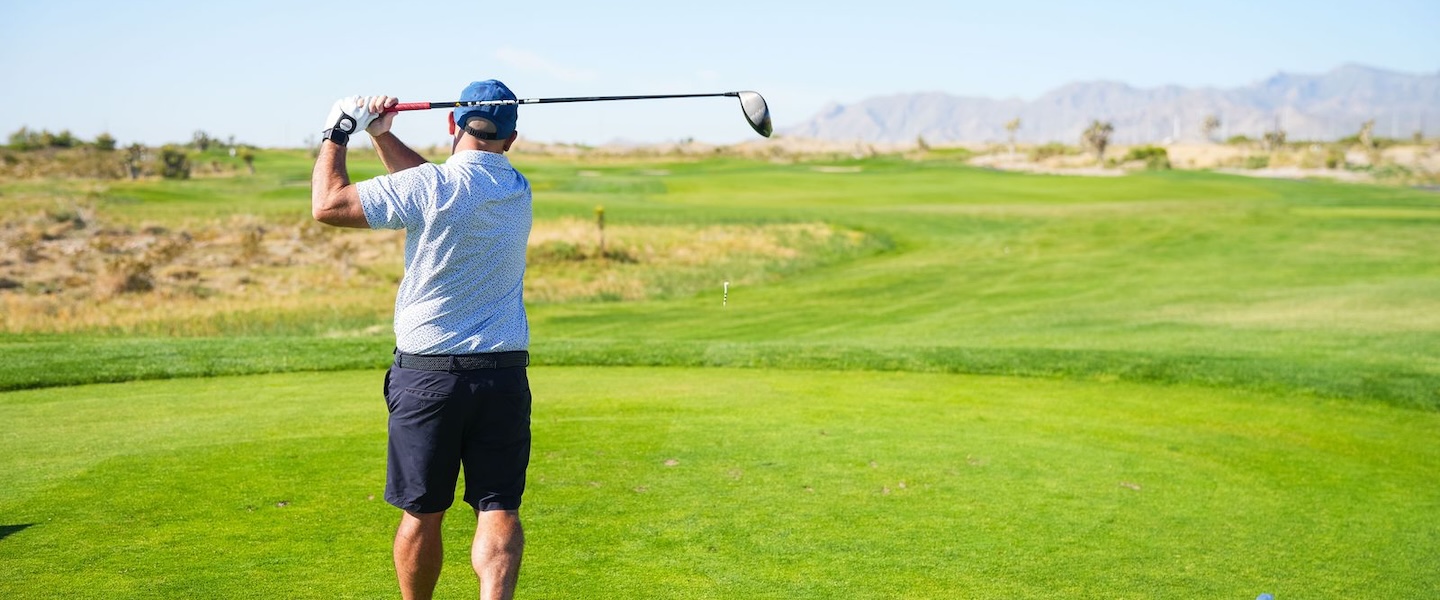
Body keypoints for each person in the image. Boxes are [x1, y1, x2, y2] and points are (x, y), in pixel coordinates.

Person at [310, 80, 532, 600]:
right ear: (512, 138)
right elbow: (432, 187)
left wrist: (340, 131)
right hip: (502, 376)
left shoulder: (430, 188)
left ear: (452, 124)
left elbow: (328, 205)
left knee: (422, 514)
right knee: (498, 507)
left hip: (429, 379)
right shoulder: (517, 189)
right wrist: (384, 137)